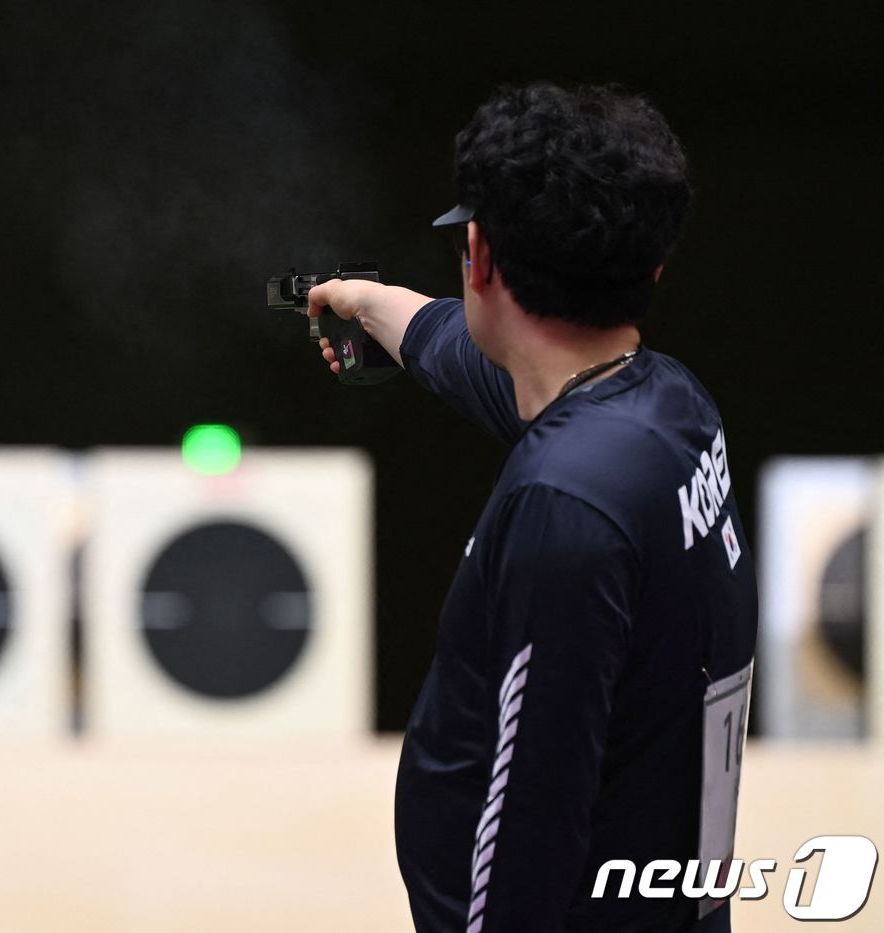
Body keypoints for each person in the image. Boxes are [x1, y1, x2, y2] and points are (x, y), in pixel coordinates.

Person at [307, 83, 758, 932]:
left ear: (477, 256)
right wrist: (366, 300)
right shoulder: (667, 408)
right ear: (652, 261)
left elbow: (529, 828)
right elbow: (464, 352)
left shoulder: (566, 510)